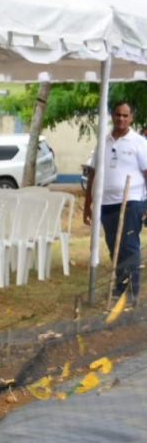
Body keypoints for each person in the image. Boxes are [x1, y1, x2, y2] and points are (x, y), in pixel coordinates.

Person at [84, 100, 147, 305]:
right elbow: (92, 173)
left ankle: (132, 291)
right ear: (112, 116)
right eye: (118, 114)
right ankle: (120, 287)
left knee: (129, 246)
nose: (121, 118)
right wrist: (88, 204)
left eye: (125, 115)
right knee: (114, 247)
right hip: (106, 203)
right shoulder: (104, 141)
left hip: (132, 201)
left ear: (131, 118)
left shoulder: (139, 142)